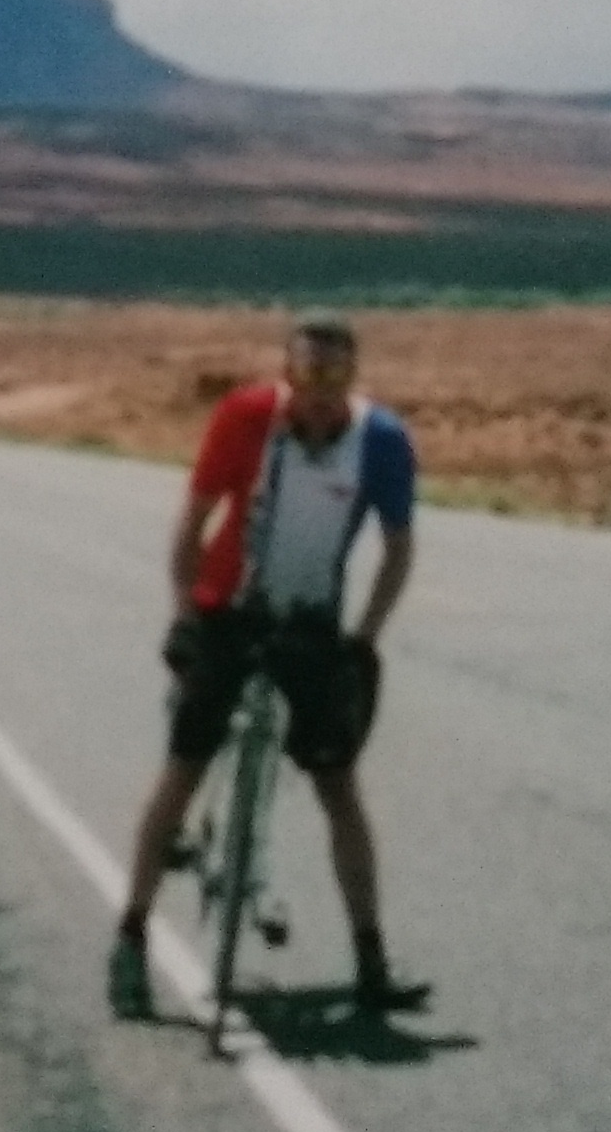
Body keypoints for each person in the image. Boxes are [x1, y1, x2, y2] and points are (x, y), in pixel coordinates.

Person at [110, 311, 428, 1020]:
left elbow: (399, 548)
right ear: (288, 375)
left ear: (353, 377)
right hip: (228, 610)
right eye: (309, 372)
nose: (321, 389)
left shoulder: (380, 441)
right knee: (185, 768)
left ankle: (371, 960)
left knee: (338, 786)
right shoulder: (245, 418)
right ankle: (130, 937)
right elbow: (192, 524)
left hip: (311, 622)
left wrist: (364, 638)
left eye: (336, 373)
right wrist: (185, 616)